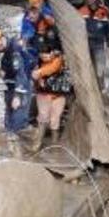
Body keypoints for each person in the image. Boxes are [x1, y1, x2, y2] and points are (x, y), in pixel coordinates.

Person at [30, 15, 70, 152]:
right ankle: (36, 145)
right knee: (42, 117)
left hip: (59, 93)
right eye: (42, 53)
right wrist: (38, 73)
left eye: (47, 53)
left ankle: (54, 146)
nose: (44, 55)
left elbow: (54, 67)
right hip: (43, 92)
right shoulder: (37, 60)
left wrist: (40, 72)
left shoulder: (59, 58)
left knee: (55, 119)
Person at [0, 27, 34, 139]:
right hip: (11, 85)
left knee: (18, 118)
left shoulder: (15, 50)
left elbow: (21, 73)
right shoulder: (7, 52)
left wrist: (17, 95)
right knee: (9, 116)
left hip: (22, 86)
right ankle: (10, 138)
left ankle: (19, 145)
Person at [77, 0, 109, 88]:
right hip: (86, 44)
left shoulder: (104, 11)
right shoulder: (81, 11)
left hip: (99, 44)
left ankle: (101, 92)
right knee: (87, 71)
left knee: (100, 71)